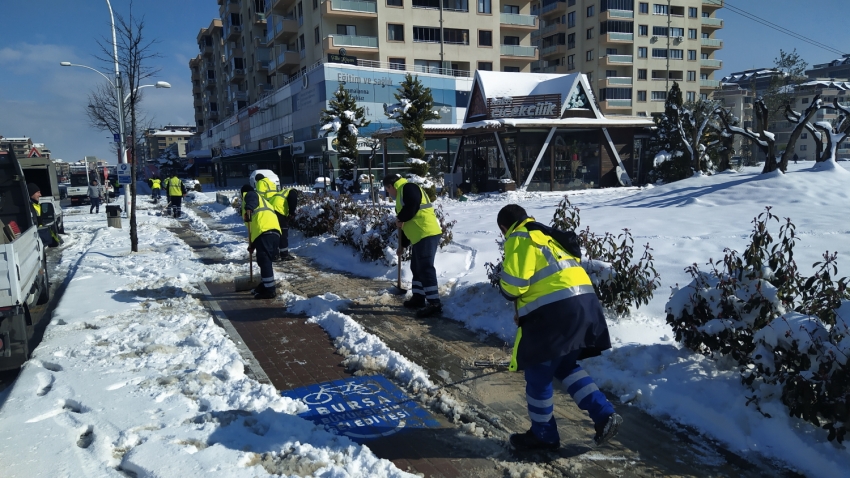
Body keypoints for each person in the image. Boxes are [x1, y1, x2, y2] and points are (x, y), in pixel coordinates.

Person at [496, 204, 622, 451]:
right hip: (584, 306)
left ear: (504, 227)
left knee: (537, 372)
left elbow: (514, 286)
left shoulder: (519, 237)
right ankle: (605, 415)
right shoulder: (547, 236)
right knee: (565, 365)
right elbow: (551, 280)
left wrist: (505, 285)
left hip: (558, 313)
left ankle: (543, 435)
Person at [382, 174, 442, 318]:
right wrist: (403, 245)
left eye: (387, 190)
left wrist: (400, 217)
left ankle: (434, 303)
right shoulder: (402, 194)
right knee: (416, 267)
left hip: (426, 232)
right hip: (419, 235)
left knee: (425, 267)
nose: (388, 193)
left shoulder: (408, 187)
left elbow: (413, 205)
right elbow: (408, 222)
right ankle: (418, 297)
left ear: (391, 186)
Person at [241, 184, 281, 300]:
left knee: (265, 261)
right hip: (273, 232)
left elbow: (251, 198)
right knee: (264, 260)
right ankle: (265, 284)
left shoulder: (250, 194)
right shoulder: (263, 201)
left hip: (265, 232)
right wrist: (253, 245)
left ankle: (270, 290)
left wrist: (248, 207)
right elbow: (255, 225)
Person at [27, 183, 61, 247]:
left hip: (41, 240)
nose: (40, 195)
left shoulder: (36, 205)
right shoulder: (29, 207)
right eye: (38, 192)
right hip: (36, 240)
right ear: (31, 193)